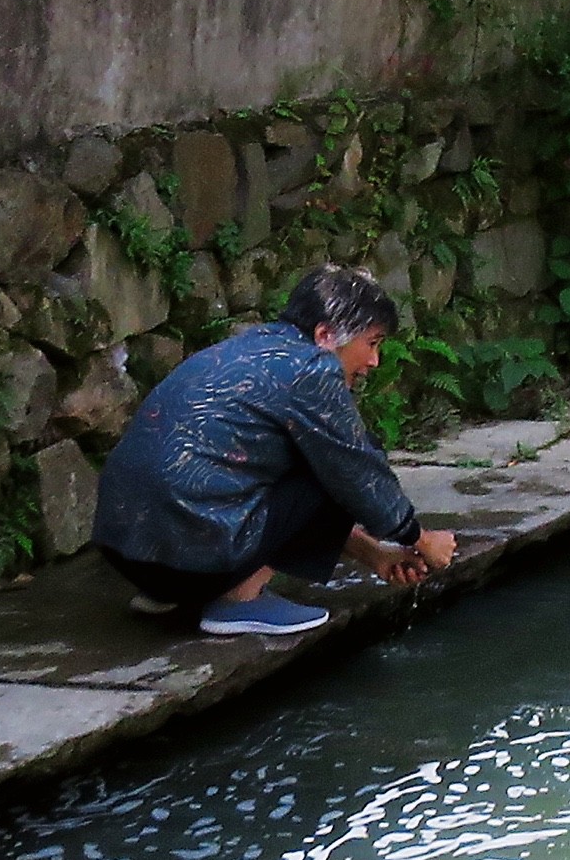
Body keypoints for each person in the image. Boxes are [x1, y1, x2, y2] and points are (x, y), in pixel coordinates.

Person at [94, 264, 459, 639]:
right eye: (372, 343)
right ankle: (239, 601)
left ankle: (167, 594)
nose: (374, 362)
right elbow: (356, 473)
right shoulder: (311, 368)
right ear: (325, 335)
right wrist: (419, 538)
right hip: (190, 564)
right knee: (353, 456)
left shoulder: (249, 345)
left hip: (129, 556)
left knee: (320, 461)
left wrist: (376, 555)